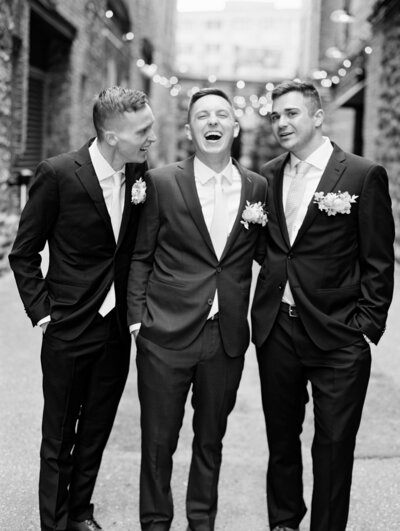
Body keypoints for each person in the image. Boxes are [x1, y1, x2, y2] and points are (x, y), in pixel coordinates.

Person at [9, 86, 156, 531]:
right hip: (69, 326)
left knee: (95, 430)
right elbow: (24, 252)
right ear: (112, 135)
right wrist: (43, 311)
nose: (150, 138)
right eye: (142, 130)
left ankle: (80, 512)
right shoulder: (57, 174)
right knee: (58, 437)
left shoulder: (139, 174)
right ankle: (54, 523)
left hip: (114, 332)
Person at [251, 80, 395, 531]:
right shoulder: (268, 175)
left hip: (339, 335)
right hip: (279, 329)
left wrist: (365, 325)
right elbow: (270, 247)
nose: (281, 123)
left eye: (291, 113)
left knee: (334, 446)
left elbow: (378, 259)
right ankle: (284, 523)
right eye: (275, 116)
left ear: (317, 117)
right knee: (281, 441)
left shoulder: (359, 174)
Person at [127, 87, 267, 531]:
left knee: (211, 440)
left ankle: (201, 521)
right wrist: (137, 320)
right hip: (164, 332)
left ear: (235, 126)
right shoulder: (162, 182)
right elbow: (140, 256)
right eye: (202, 115)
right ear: (189, 130)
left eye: (221, 115)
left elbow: (273, 254)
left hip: (224, 337)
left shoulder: (256, 188)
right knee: (158, 442)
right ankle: (155, 523)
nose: (212, 122)